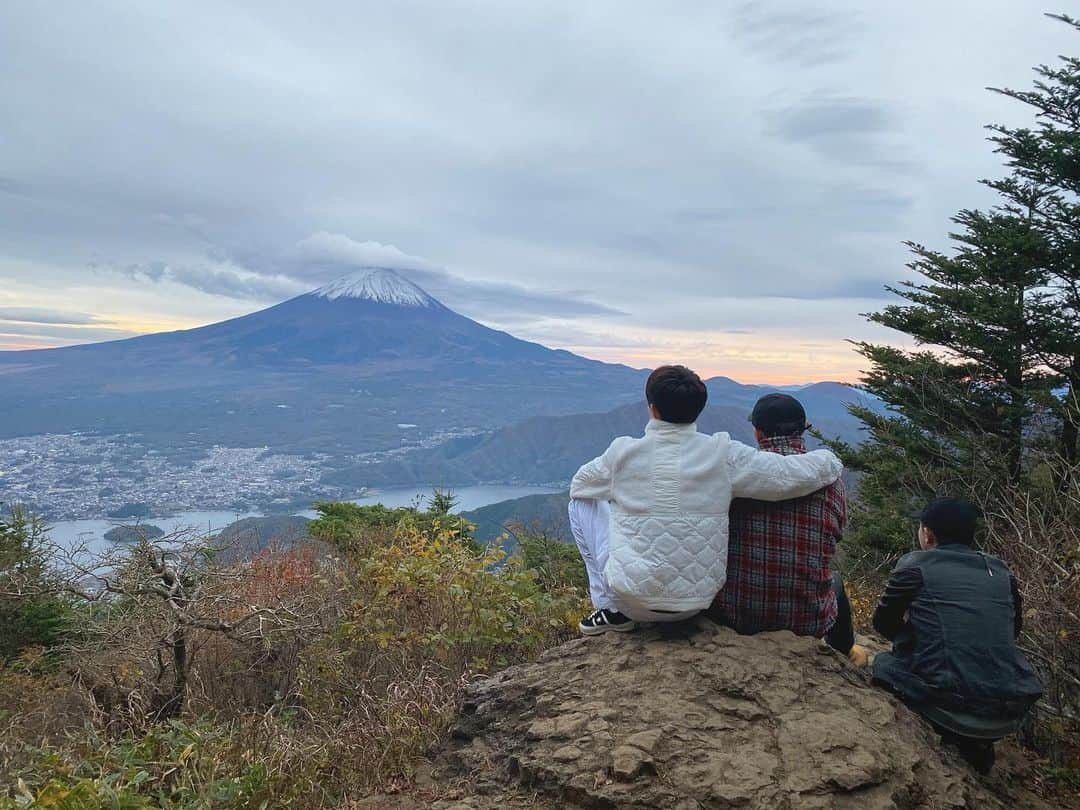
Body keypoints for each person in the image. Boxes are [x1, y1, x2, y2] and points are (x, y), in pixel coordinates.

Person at [568, 365, 844, 635]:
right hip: (695, 601)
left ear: (651, 407)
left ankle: (608, 608)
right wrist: (829, 459)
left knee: (581, 502)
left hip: (631, 599)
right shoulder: (722, 454)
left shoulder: (622, 453)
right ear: (699, 409)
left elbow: (580, 484)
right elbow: (787, 475)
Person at [871, 497, 1043, 774]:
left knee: (883, 663)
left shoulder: (914, 566)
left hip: (947, 704)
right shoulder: (1000, 571)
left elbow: (883, 624)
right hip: (1009, 709)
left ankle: (948, 739)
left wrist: (912, 637)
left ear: (927, 534)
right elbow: (1013, 632)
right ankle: (978, 746)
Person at [708, 393, 867, 666]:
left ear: (758, 434)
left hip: (735, 615)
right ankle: (844, 654)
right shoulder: (833, 485)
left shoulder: (734, 481)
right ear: (804, 430)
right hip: (805, 621)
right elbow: (834, 537)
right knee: (836, 582)